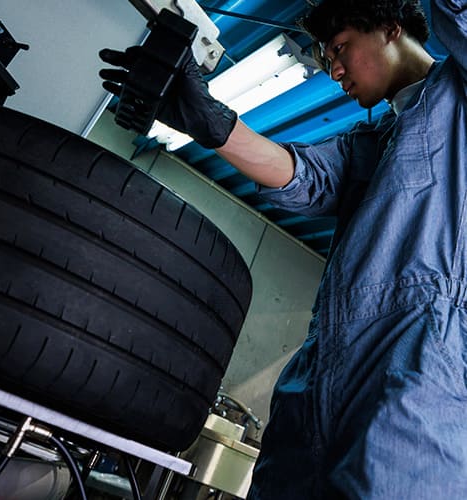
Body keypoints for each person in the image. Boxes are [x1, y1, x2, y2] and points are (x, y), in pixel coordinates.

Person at [100, 0, 467, 498]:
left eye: (340, 48)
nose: (333, 70)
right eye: (326, 58)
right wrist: (212, 123)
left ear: (390, 28)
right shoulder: (370, 141)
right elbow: (304, 177)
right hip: (322, 367)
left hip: (420, 361)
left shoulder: (457, 94)